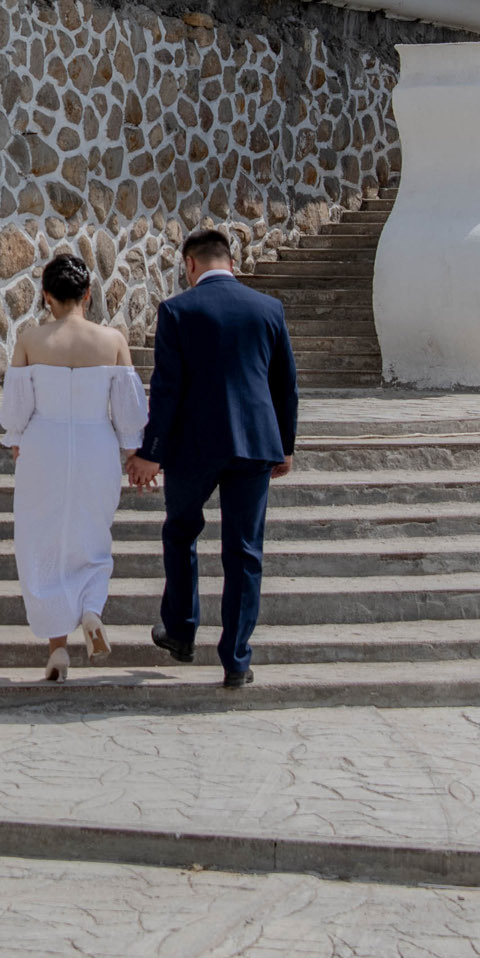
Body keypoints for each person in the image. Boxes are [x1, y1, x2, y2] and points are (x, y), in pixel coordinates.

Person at [127, 226, 298, 690]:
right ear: (231, 261)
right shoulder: (269, 308)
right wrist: (284, 445)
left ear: (190, 264)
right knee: (245, 551)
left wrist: (151, 453)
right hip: (255, 445)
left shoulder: (177, 310)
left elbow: (166, 389)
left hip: (193, 446)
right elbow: (285, 384)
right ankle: (236, 660)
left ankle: (181, 631)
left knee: (181, 531)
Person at [0, 250, 148, 680]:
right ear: (87, 294)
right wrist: (133, 452)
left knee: (41, 542)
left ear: (46, 296)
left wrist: (15, 438)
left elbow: (15, 409)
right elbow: (129, 410)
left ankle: (57, 648)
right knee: (92, 536)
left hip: (43, 446)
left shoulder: (30, 340)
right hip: (95, 443)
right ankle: (91, 609)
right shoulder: (112, 340)